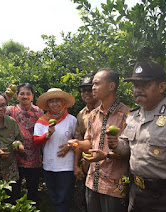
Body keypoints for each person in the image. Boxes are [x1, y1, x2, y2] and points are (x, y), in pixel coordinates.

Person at [107, 61, 166, 212]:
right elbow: (127, 147)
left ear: (162, 87)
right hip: (137, 194)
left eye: (145, 85)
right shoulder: (133, 116)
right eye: (136, 85)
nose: (138, 90)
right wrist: (115, 144)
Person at [71, 68, 130, 212]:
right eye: (93, 85)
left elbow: (131, 150)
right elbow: (89, 142)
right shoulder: (92, 115)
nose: (93, 88)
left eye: (97, 84)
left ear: (111, 86)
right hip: (92, 181)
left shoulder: (127, 115)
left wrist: (105, 156)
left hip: (114, 185)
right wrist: (76, 143)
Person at [33, 88, 77, 212]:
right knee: (54, 197)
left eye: (58, 100)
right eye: (51, 101)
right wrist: (47, 135)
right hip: (49, 165)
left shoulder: (72, 120)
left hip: (66, 166)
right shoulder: (42, 121)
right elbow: (36, 141)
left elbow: (78, 140)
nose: (55, 104)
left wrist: (69, 145)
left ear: (63, 102)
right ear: (47, 105)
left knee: (63, 198)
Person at [5, 83, 44, 206]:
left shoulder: (39, 111)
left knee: (32, 191)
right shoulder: (10, 110)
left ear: (32, 96)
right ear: (17, 96)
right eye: (22, 93)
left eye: (28, 93)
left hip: (35, 157)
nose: (25, 96)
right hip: (15, 158)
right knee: (14, 191)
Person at [0, 92, 25, 204]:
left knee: (11, 201)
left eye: (3, 105)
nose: (0, 108)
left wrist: (18, 145)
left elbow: (19, 139)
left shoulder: (11, 122)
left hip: (10, 170)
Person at [73, 76, 100, 211]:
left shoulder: (104, 109)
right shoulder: (81, 114)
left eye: (89, 90)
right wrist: (76, 165)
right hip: (87, 162)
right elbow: (79, 141)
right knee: (86, 200)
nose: (86, 94)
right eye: (83, 91)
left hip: (105, 162)